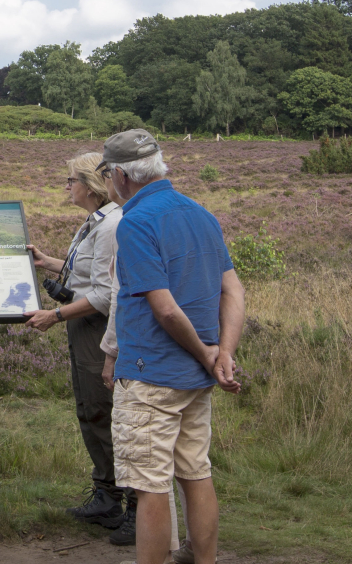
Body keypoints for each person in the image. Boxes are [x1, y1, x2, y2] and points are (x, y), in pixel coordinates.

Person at [101, 129, 246, 564]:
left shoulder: (137, 223)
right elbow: (233, 291)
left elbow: (164, 309)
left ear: (122, 176)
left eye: (108, 174)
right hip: (194, 378)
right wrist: (223, 352)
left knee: (150, 485)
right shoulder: (201, 214)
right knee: (195, 473)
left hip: (151, 374)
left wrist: (208, 353)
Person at [21, 151, 135, 542]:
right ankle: (107, 495)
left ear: (89, 184)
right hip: (83, 326)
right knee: (90, 410)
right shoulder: (96, 222)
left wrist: (56, 315)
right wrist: (48, 262)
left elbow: (105, 295)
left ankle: (134, 504)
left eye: (71, 180)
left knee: (105, 413)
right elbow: (85, 275)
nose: (67, 187)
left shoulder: (110, 227)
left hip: (96, 329)